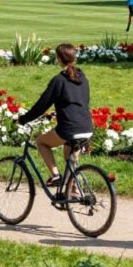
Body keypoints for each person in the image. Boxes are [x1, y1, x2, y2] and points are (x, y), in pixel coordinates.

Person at [16, 44, 91, 188]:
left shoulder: (59, 80)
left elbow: (41, 105)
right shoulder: (83, 78)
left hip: (69, 129)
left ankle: (55, 176)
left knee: (41, 142)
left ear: (58, 59)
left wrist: (23, 119)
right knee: (69, 158)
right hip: (86, 127)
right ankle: (73, 191)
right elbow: (82, 102)